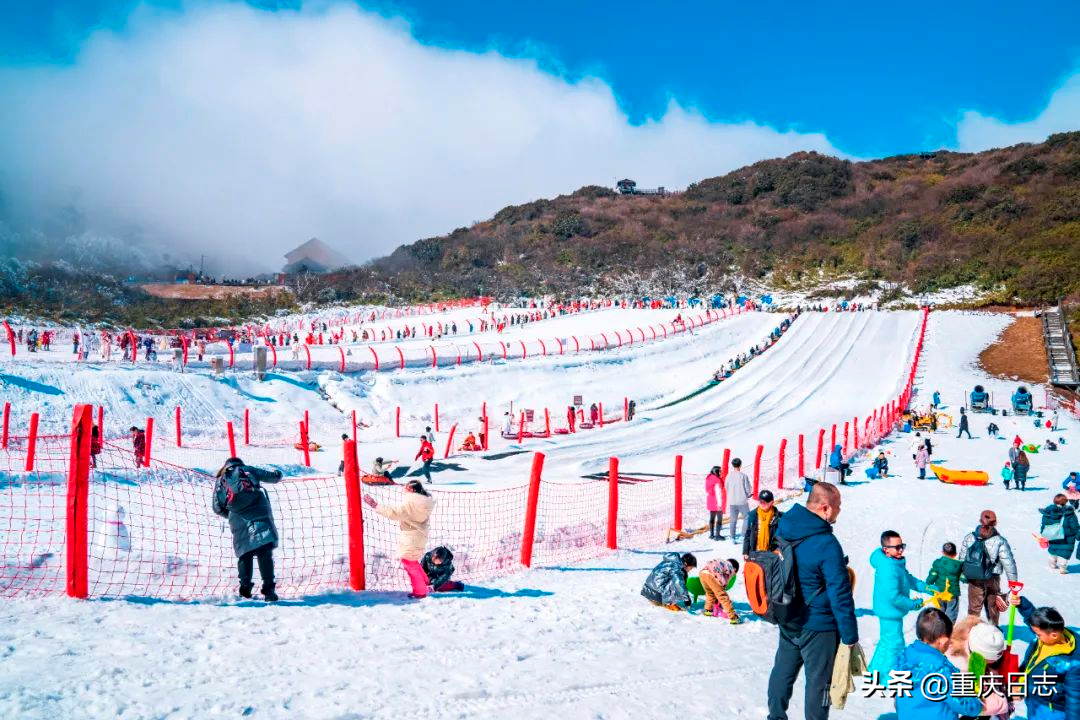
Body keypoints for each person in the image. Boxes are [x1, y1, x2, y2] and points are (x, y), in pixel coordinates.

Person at [766, 482, 858, 720]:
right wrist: (849, 636)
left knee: (782, 673)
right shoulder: (826, 544)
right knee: (819, 684)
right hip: (819, 624)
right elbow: (840, 593)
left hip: (788, 613)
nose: (839, 511)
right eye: (838, 506)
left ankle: (775, 716)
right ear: (825, 508)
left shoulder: (786, 524)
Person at [893, 608, 992, 720]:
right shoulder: (942, 670)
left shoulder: (904, 657)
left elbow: (897, 695)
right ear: (944, 641)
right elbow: (962, 703)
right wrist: (977, 704)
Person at [211, 457, 283, 601]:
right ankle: (269, 591)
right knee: (264, 552)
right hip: (259, 514)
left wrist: (232, 513)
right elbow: (273, 477)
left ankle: (245, 591)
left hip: (237, 520)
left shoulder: (220, 481)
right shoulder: (247, 470)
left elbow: (217, 508)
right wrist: (278, 473)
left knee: (245, 554)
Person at [1008, 593, 1079, 720]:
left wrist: (1023, 688)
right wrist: (1023, 605)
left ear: (1054, 635)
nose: (1036, 636)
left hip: (1050, 710)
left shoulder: (1072, 663)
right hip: (1034, 700)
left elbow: (1074, 698)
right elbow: (1036, 622)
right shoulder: (1047, 636)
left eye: (1038, 634)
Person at [868, 530, 928, 675]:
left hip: (888, 611)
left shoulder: (893, 562)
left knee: (886, 641)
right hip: (890, 611)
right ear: (886, 550)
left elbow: (908, 579)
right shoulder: (889, 568)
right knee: (895, 644)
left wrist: (926, 588)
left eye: (902, 545)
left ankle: (874, 671)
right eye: (897, 547)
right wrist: (913, 604)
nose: (901, 549)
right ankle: (887, 679)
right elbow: (894, 597)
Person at [363, 480, 434, 598]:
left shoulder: (411, 502)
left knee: (408, 562)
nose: (403, 489)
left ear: (411, 490)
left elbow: (395, 513)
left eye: (406, 487)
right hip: (419, 535)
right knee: (412, 560)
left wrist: (375, 505)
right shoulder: (423, 501)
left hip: (411, 536)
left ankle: (420, 591)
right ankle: (425, 582)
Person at [958, 510, 1017, 626]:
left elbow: (962, 558)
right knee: (992, 606)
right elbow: (1008, 562)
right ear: (995, 523)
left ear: (980, 521)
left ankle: (971, 629)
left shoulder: (969, 537)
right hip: (993, 577)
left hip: (974, 578)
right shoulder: (1000, 541)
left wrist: (961, 573)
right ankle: (993, 628)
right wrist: (1013, 581)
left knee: (974, 607)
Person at [1040, 494, 1078, 574]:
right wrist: (1078, 535)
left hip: (1052, 536)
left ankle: (1052, 563)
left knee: (1053, 549)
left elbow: (1044, 524)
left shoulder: (1048, 512)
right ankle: (1062, 568)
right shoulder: (1069, 513)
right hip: (1067, 538)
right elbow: (1074, 527)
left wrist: (1043, 533)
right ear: (1065, 501)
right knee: (1065, 552)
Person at [925, 542, 964, 622]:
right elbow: (964, 578)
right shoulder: (959, 565)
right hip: (952, 594)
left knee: (940, 611)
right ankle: (949, 630)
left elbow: (932, 575)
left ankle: (939, 628)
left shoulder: (938, 563)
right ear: (955, 554)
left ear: (942, 552)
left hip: (939, 592)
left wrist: (928, 583)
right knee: (951, 612)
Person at [699, 558, 741, 623]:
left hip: (703, 573)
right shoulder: (731, 569)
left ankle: (708, 610)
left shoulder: (723, 563)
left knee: (710, 593)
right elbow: (724, 582)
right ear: (735, 569)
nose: (732, 575)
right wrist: (722, 589)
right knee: (723, 596)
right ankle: (733, 617)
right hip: (712, 574)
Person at [743, 489, 782, 559]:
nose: (763, 504)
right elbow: (748, 535)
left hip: (771, 553)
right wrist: (745, 551)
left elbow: (780, 537)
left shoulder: (778, 517)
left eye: (766, 501)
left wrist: (777, 549)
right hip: (755, 552)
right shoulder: (753, 515)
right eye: (761, 501)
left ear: (772, 502)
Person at [726, 457, 752, 542]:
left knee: (733, 520)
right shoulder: (743, 476)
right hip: (742, 501)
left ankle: (732, 537)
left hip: (732, 501)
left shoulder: (728, 476)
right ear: (740, 465)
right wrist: (749, 495)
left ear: (732, 465)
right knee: (747, 517)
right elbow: (748, 488)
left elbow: (726, 487)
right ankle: (743, 535)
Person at [706, 465, 725, 540]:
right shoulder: (717, 481)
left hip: (711, 500)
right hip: (717, 501)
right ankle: (717, 535)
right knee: (719, 519)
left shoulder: (709, 478)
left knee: (712, 518)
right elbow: (718, 493)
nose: (721, 472)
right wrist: (720, 504)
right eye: (720, 471)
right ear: (716, 471)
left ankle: (711, 534)